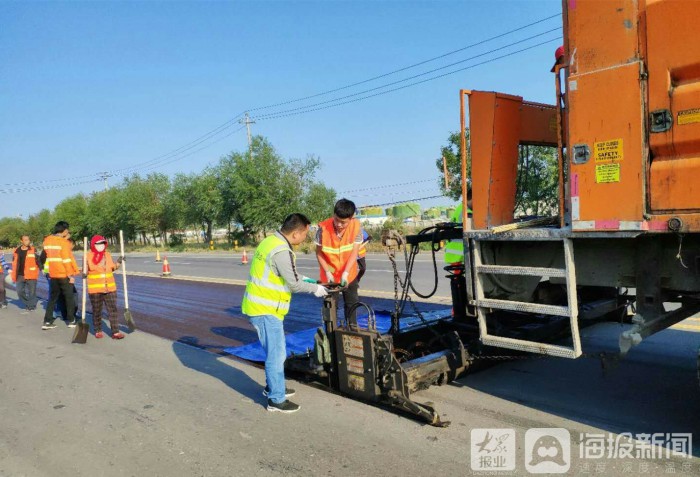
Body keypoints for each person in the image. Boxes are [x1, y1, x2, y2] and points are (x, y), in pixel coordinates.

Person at [241, 213, 328, 413]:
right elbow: (294, 284)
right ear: (296, 233)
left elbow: (286, 273)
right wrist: (315, 290)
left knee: (274, 352)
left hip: (260, 307)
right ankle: (276, 400)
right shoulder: (281, 250)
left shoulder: (270, 242)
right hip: (265, 310)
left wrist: (312, 281)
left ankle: (274, 387)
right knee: (276, 354)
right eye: (305, 234)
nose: (305, 238)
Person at [315, 198, 364, 326]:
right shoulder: (322, 229)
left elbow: (354, 253)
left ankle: (352, 331)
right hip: (329, 274)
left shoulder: (356, 227)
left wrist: (346, 273)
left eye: (343, 222)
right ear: (333, 214)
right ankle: (331, 338)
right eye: (336, 220)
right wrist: (328, 272)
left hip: (349, 273)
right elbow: (319, 253)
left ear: (351, 218)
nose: (339, 225)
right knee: (330, 309)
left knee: (351, 305)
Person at [85, 235, 125, 339]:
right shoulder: (88, 256)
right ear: (93, 245)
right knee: (97, 310)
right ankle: (98, 330)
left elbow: (111, 268)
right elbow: (85, 270)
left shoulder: (107, 254)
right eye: (98, 244)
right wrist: (83, 273)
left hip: (110, 288)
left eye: (102, 244)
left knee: (113, 310)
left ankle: (115, 332)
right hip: (95, 289)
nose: (101, 246)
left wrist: (119, 262)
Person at [42, 221, 79, 330]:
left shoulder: (47, 240)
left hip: (53, 274)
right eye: (67, 229)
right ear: (64, 230)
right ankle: (71, 320)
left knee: (52, 298)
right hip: (63, 274)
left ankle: (47, 322)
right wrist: (71, 275)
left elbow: (47, 255)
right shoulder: (63, 242)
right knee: (69, 297)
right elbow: (66, 260)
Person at [12, 235, 39, 313]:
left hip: (31, 274)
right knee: (19, 291)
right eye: (26, 240)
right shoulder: (16, 250)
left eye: (28, 240)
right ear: (21, 241)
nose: (28, 241)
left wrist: (42, 268)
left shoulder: (33, 249)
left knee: (32, 291)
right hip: (20, 275)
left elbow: (38, 260)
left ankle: (31, 306)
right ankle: (28, 303)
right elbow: (14, 262)